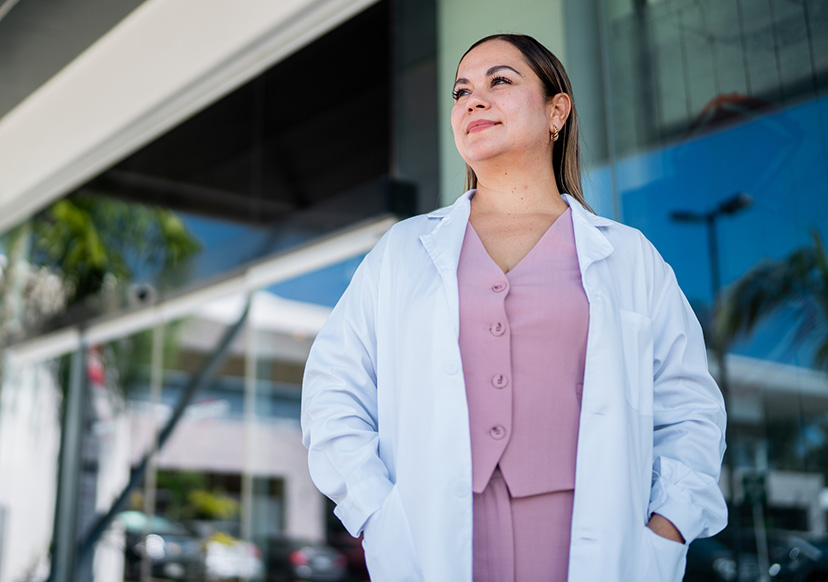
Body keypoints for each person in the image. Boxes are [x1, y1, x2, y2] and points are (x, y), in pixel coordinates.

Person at [301, 33, 727, 582]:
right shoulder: (402, 253)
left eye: (499, 81)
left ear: (557, 109)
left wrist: (666, 529)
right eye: (461, 91)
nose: (473, 100)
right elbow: (332, 392)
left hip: (590, 546)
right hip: (434, 545)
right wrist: (376, 513)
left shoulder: (628, 258)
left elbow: (690, 409)